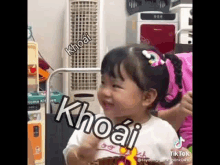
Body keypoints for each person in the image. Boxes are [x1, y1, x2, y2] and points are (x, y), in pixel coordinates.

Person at [63, 44, 192, 165]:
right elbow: (70, 158)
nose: (105, 92)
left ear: (147, 97)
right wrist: (81, 155)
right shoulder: (93, 124)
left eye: (115, 86)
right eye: (103, 83)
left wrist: (185, 160)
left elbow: (178, 158)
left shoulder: (164, 132)